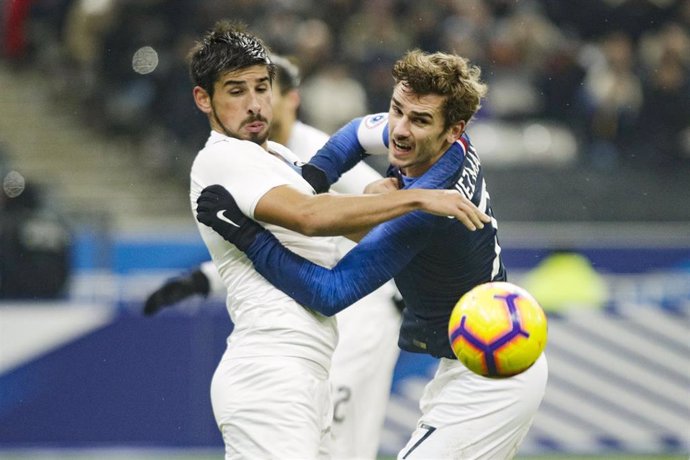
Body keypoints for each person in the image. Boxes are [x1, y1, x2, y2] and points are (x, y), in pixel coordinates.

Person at [196, 49, 549, 459]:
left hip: (493, 376)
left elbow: (330, 292)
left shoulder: (427, 209)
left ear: (455, 130)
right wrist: (312, 180)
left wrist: (247, 237)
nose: (399, 129)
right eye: (396, 110)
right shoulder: (434, 140)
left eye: (418, 121)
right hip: (471, 363)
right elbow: (356, 133)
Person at [145, 54, 402, 460]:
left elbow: (368, 219)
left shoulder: (308, 153)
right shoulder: (242, 159)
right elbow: (289, 235)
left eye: (264, 90)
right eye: (238, 91)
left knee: (347, 441)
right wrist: (203, 279)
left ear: (290, 99)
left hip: (367, 308)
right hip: (293, 348)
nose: (256, 104)